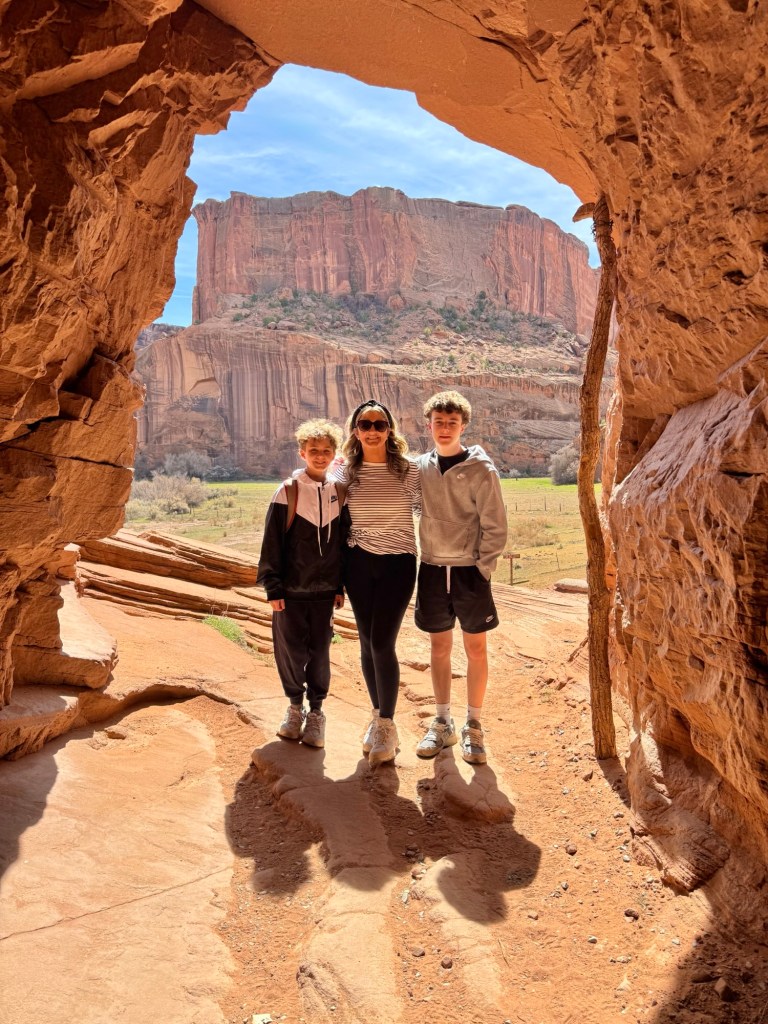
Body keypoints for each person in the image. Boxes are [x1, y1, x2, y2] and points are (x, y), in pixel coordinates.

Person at [414, 390, 507, 764]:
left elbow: (496, 525)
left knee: (476, 649)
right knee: (439, 648)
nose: (445, 428)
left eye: (452, 422)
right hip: (432, 569)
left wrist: (482, 568)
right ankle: (442, 722)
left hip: (470, 573)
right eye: (439, 422)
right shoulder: (420, 467)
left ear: (463, 426)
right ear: (429, 426)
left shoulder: (481, 469)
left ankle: (473, 725)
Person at [337, 399, 420, 767]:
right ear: (356, 431)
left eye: (379, 424)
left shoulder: (408, 471)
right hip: (358, 563)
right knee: (367, 642)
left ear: (389, 430)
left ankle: (387, 724)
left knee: (383, 642)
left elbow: (432, 510)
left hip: (398, 563)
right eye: (365, 424)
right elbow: (332, 519)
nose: (372, 430)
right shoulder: (346, 473)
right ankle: (377, 718)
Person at [257, 419, 347, 748]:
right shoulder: (288, 491)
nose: (320, 456)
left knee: (320, 653)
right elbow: (272, 542)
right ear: (302, 453)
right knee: (291, 652)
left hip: (324, 593)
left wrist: (339, 586)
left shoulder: (339, 492)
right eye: (314, 450)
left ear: (334, 454)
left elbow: (341, 545)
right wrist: (273, 586)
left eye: (326, 451)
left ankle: (317, 713)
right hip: (291, 592)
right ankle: (295, 708)